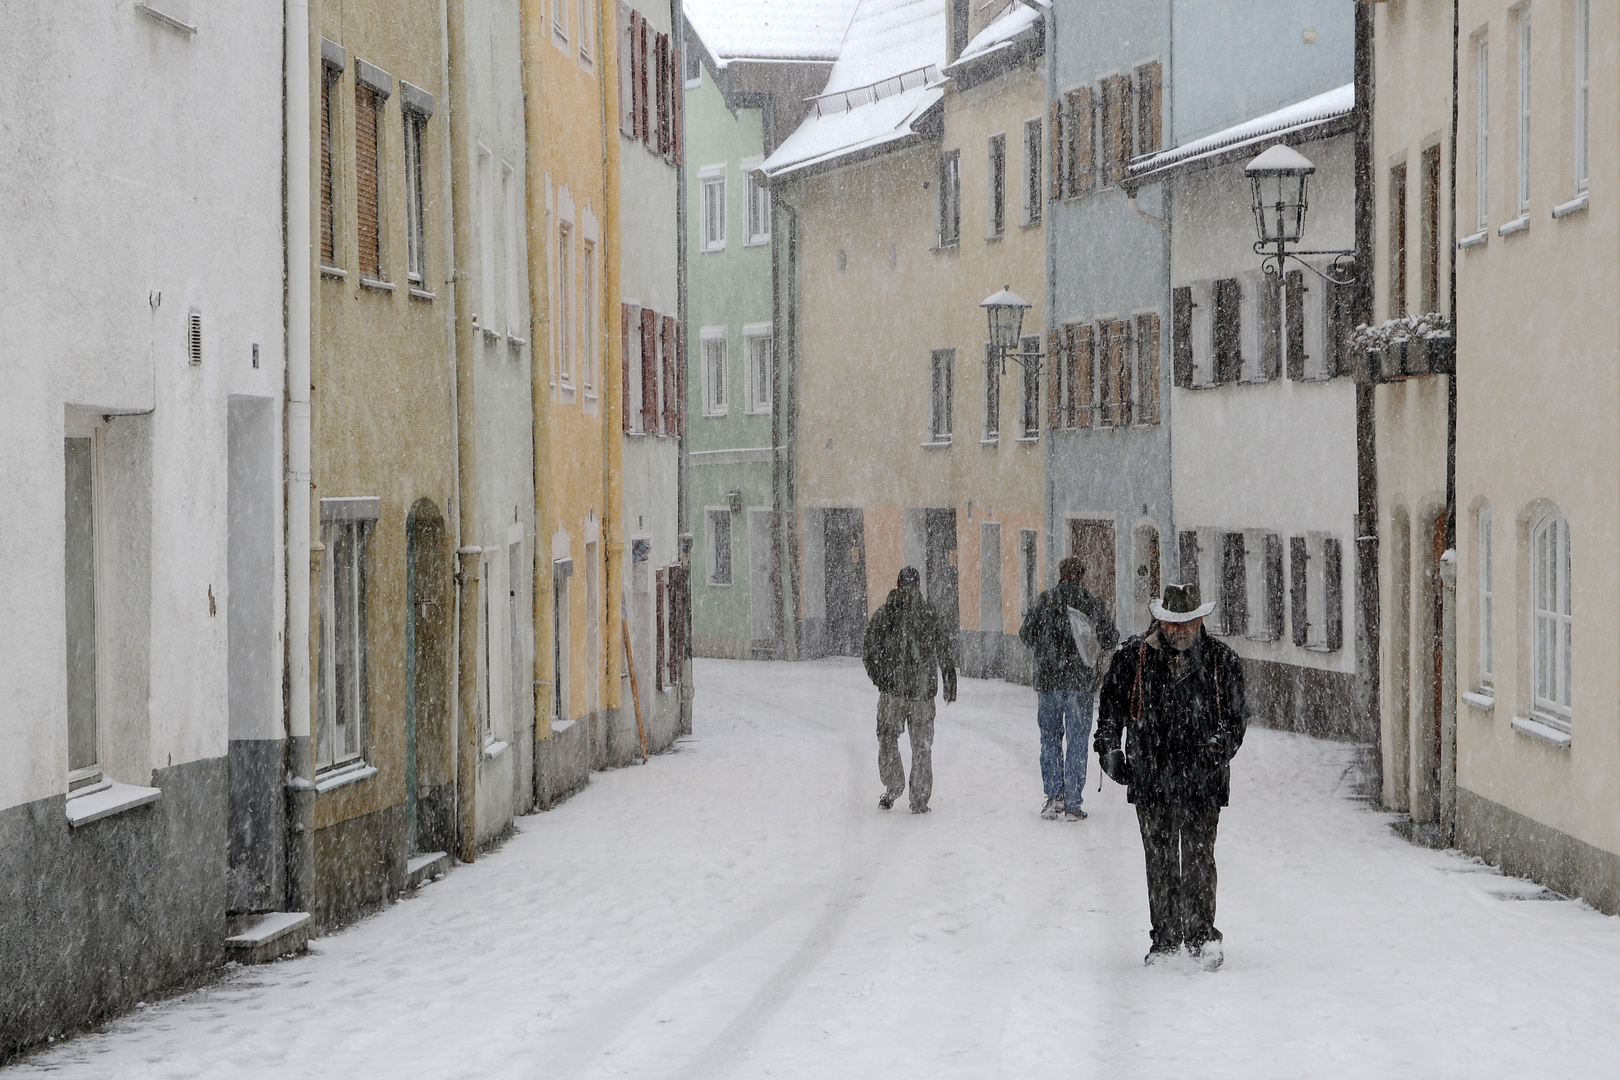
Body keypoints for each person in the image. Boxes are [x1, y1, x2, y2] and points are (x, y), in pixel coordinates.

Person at [1094, 583, 1246, 971]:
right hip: (1150, 777)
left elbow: (1236, 717)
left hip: (1202, 779)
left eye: (1188, 623)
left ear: (1200, 621)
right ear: (1159, 620)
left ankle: (1201, 937)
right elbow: (1110, 706)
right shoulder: (1133, 658)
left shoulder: (1220, 661)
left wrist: (1221, 743)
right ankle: (1164, 942)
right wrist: (1109, 748)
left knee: (1198, 859)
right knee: (1159, 861)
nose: (1180, 631)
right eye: (1172, 624)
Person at [1018, 556, 1118, 821]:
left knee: (1050, 738)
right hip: (1080, 684)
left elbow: (1025, 634)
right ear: (1081, 575)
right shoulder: (1092, 603)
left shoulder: (1045, 601)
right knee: (1076, 741)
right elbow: (1111, 637)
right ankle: (1073, 803)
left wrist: (1047, 647)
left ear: (1061, 574)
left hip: (1049, 683)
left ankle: (1053, 798)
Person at [862, 566, 957, 814]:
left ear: (897, 583)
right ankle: (920, 800)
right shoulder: (929, 614)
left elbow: (869, 650)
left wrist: (881, 678)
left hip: (892, 692)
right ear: (918, 586)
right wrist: (949, 682)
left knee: (887, 736)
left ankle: (893, 785)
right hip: (922, 693)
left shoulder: (886, 613)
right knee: (922, 746)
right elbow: (945, 648)